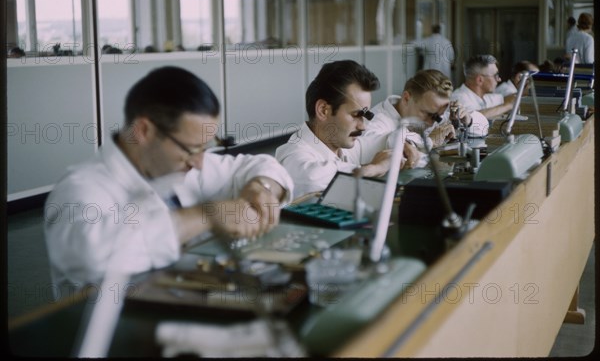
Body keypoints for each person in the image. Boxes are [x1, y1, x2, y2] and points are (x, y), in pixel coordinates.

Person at [44, 66, 294, 294]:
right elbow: (93, 254)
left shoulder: (182, 164)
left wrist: (261, 187)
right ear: (144, 131)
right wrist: (206, 215)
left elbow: (259, 164)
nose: (200, 162)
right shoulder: (79, 189)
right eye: (192, 149)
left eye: (206, 148)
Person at [275, 60, 391, 199]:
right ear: (323, 110)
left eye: (365, 116)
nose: (362, 126)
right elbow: (312, 177)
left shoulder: (344, 144)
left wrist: (407, 145)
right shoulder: (292, 155)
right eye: (356, 115)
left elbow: (387, 138)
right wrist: (373, 168)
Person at [352, 69, 489, 168]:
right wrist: (429, 141)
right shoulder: (377, 121)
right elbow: (379, 145)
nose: (432, 122)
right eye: (427, 114)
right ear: (407, 98)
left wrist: (468, 119)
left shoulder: (434, 112)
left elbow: (484, 127)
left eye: (438, 116)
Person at [451, 54, 516, 120]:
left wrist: (520, 94)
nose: (499, 79)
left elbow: (507, 99)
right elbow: (471, 118)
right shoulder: (459, 98)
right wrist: (507, 106)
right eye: (495, 76)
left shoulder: (484, 96)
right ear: (480, 80)